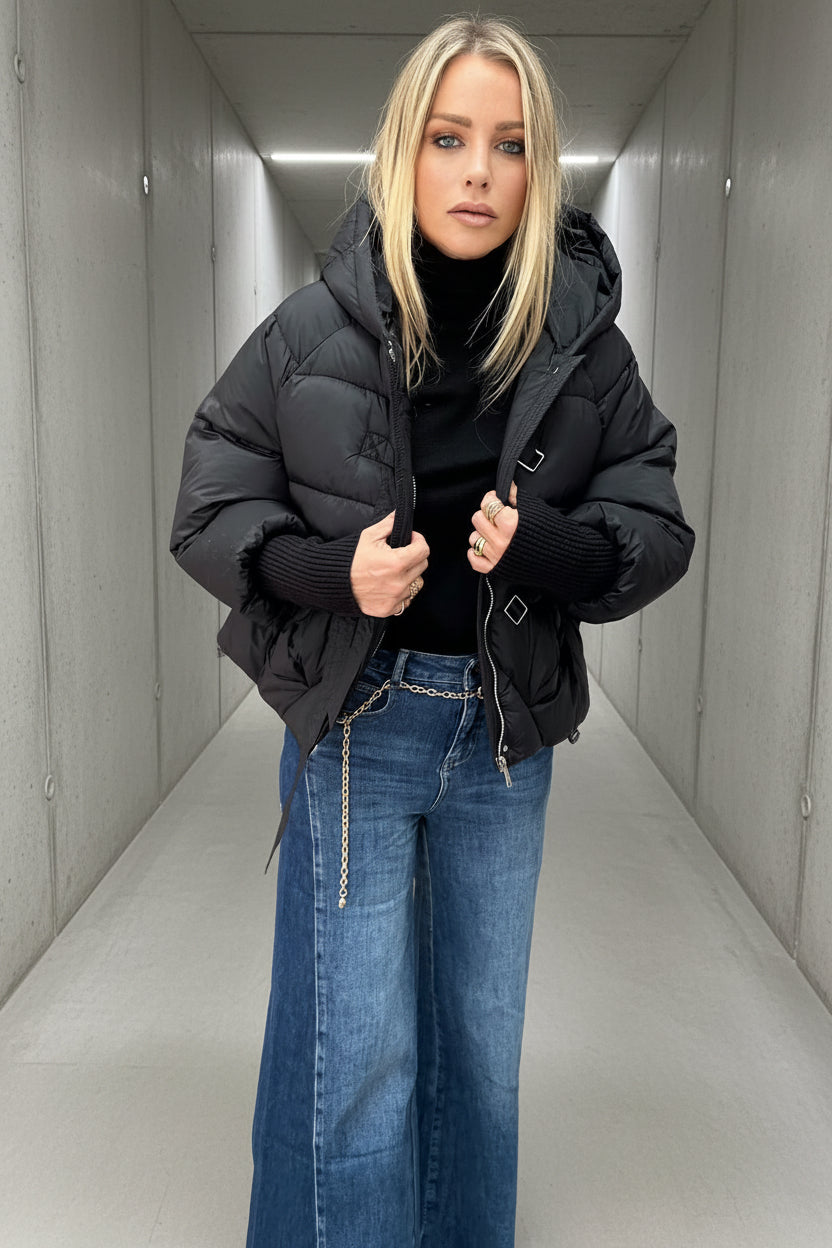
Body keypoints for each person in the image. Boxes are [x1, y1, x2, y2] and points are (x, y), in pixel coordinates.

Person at [169, 14, 695, 1247]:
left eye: (509, 145)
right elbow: (209, 501)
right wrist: (329, 572)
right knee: (358, 1062)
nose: (477, 172)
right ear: (403, 150)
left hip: (503, 741)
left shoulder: (584, 349)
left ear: (538, 168)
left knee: (480, 1055)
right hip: (361, 723)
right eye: (449, 138)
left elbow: (655, 520)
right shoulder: (311, 332)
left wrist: (550, 549)